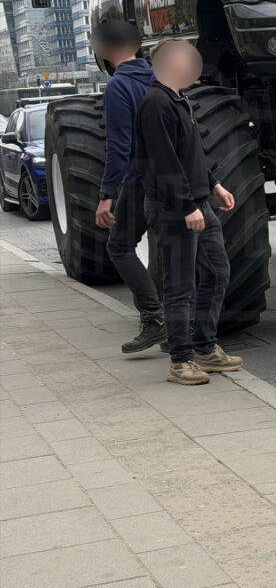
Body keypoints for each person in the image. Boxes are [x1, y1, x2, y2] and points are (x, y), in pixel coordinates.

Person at [135, 39, 242, 385]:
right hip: (175, 208)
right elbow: (164, 162)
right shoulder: (155, 105)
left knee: (217, 272)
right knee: (181, 288)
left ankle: (204, 348)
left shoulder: (179, 100)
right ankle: (180, 362)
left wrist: (214, 185)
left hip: (199, 203)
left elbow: (190, 154)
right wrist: (185, 206)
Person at [91, 20, 165, 354]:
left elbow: (118, 149)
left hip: (140, 181)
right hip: (177, 180)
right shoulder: (163, 77)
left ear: (105, 51)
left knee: (119, 247)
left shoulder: (119, 87)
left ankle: (154, 318)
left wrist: (106, 196)